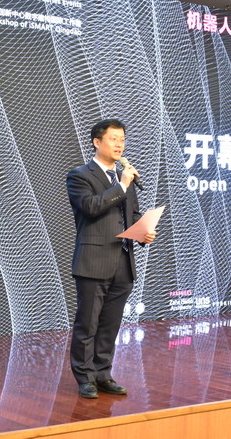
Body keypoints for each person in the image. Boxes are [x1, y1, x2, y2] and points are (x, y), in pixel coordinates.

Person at [66, 119, 156, 399]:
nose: (119, 145)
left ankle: (103, 374)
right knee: (88, 324)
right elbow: (91, 207)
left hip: (122, 262)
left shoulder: (123, 178)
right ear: (97, 142)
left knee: (110, 324)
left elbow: (132, 215)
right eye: (114, 139)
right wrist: (122, 185)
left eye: (122, 140)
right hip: (93, 261)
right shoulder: (80, 175)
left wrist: (143, 232)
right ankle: (85, 377)